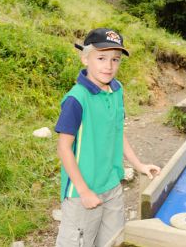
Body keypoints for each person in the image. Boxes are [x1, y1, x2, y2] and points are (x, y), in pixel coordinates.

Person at [55, 28, 161, 247]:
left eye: (116, 59)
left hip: (112, 186)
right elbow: (64, 148)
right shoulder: (76, 99)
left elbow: (117, 133)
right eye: (101, 58)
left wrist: (138, 165)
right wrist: (84, 191)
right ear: (85, 58)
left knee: (112, 241)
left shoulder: (117, 90)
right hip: (82, 192)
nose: (109, 65)